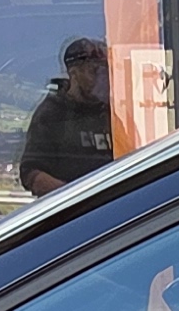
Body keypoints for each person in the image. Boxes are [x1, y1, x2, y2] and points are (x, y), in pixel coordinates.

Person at [20, 36, 115, 194]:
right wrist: (76, 197)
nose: (102, 78)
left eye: (106, 70)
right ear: (74, 73)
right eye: (94, 71)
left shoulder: (114, 112)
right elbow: (31, 174)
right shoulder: (52, 114)